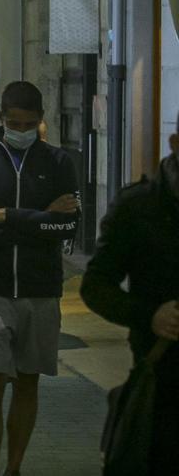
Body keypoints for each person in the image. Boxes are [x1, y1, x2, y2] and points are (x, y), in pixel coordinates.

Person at [0, 80, 80, 476]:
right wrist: (44, 217)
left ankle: (14, 468)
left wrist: (9, 216)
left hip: (41, 289)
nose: (21, 130)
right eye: (14, 122)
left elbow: (67, 229)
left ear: (41, 121)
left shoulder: (59, 163)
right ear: (1, 119)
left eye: (29, 123)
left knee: (27, 381)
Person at [79, 111, 179, 474]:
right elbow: (96, 287)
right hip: (164, 390)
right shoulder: (138, 208)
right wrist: (150, 315)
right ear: (175, 144)